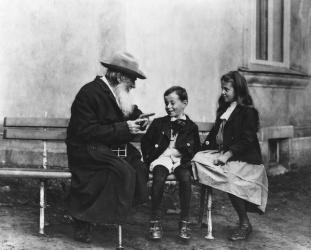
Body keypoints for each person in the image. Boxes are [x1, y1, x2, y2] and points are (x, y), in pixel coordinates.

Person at [66, 51, 149, 243]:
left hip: (107, 146)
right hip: (86, 149)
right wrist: (124, 128)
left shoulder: (117, 92)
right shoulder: (89, 93)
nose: (134, 85)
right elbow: (84, 131)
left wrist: (141, 119)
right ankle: (83, 219)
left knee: (137, 165)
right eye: (133, 79)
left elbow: (132, 112)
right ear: (119, 76)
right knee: (123, 171)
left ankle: (113, 213)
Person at [192, 71, 268, 241]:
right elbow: (214, 135)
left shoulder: (248, 112)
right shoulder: (224, 109)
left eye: (226, 89)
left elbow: (247, 139)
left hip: (244, 159)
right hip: (225, 155)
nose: (223, 92)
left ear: (238, 90)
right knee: (197, 159)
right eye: (222, 89)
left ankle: (244, 223)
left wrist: (227, 154)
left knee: (231, 179)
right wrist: (202, 148)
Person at [141, 86, 201, 241]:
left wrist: (181, 153)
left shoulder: (191, 127)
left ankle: (184, 221)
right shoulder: (159, 123)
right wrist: (151, 157)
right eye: (166, 103)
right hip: (162, 158)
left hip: (181, 160)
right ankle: (155, 221)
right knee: (159, 176)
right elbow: (146, 142)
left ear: (184, 103)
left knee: (185, 178)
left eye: (172, 103)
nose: (168, 107)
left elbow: (195, 149)